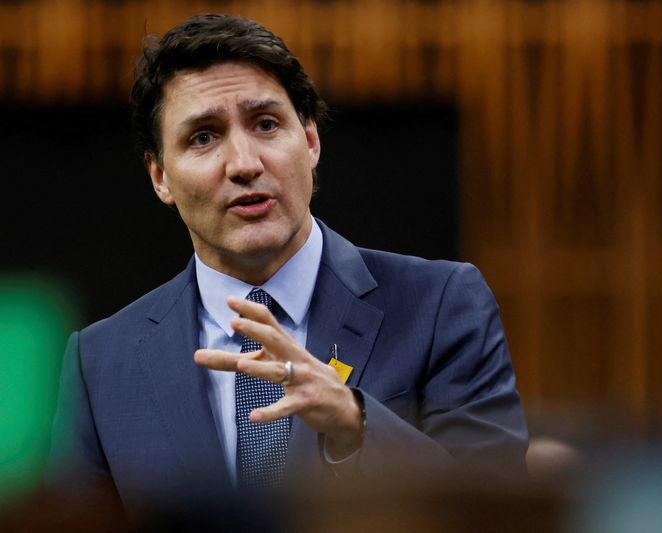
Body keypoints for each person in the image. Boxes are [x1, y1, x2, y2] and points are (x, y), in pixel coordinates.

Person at [49, 12, 528, 518]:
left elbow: (501, 513)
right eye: (203, 137)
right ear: (160, 178)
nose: (244, 163)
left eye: (266, 124)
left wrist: (354, 421)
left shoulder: (441, 304)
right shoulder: (101, 361)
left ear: (311, 141)